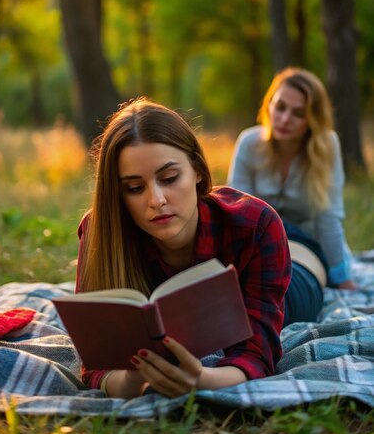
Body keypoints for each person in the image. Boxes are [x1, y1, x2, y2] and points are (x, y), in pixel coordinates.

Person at [76, 97, 291, 399]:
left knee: (307, 260)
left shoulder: (257, 226)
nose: (156, 200)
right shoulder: (101, 233)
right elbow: (96, 363)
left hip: (292, 283)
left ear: (198, 171)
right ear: (118, 194)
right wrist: (131, 381)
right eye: (135, 188)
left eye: (169, 178)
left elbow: (258, 354)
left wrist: (201, 380)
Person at [227, 67, 356, 296]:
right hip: (260, 246)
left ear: (313, 118)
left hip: (308, 246)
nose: (285, 119)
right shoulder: (248, 143)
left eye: (299, 113)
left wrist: (342, 278)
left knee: (288, 293)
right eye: (280, 107)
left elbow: (329, 217)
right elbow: (237, 214)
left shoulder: (327, 145)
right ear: (269, 105)